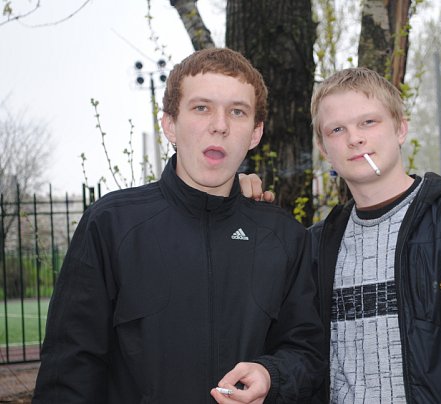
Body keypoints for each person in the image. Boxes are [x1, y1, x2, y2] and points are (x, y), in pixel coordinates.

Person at [242, 67, 441, 403]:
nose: (355, 138)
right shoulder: (314, 248)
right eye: (337, 129)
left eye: (369, 122)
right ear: (324, 149)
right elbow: (287, 351)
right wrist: (233, 208)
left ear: (400, 129)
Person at [33, 48, 325, 404]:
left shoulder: (283, 237)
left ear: (255, 133)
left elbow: (307, 353)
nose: (220, 125)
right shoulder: (111, 224)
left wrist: (271, 375)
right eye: (201, 108)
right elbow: (69, 371)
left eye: (237, 111)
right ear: (170, 124)